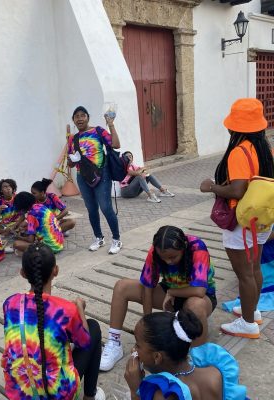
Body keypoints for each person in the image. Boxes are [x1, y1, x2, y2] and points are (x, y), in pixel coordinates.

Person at [200, 98, 274, 339]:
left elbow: (237, 190)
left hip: (241, 221)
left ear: (236, 127)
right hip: (262, 218)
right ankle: (252, 309)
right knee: (254, 267)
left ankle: (248, 323)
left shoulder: (238, 152)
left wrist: (211, 186)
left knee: (245, 273)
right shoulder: (266, 148)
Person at [100, 226, 216, 371]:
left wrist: (173, 292)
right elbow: (147, 288)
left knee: (195, 305)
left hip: (201, 297)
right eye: (164, 258)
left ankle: (198, 358)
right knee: (121, 287)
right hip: (169, 295)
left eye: (173, 257)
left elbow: (199, 290)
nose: (168, 262)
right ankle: (114, 343)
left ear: (183, 248)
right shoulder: (155, 251)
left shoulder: (197, 247)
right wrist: (148, 331)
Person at [1, 243, 105, 400]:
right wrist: (79, 309)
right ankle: (90, 395)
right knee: (93, 327)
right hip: (58, 395)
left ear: (22, 273)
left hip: (18, 393)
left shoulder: (10, 303)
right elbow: (84, 343)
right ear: (55, 270)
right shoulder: (66, 310)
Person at [124, 310, 247, 400]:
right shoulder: (215, 372)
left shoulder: (164, 394)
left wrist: (136, 390)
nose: (133, 350)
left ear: (157, 357)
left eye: (137, 345)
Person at [67, 106, 122, 254]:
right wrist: (72, 160)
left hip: (101, 174)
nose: (79, 118)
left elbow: (116, 145)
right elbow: (70, 162)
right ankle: (99, 238)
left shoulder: (98, 131)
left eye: (82, 115)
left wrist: (111, 125)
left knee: (105, 208)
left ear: (87, 117)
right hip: (82, 176)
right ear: (73, 120)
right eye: (76, 116)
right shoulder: (73, 138)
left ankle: (116, 239)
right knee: (91, 209)